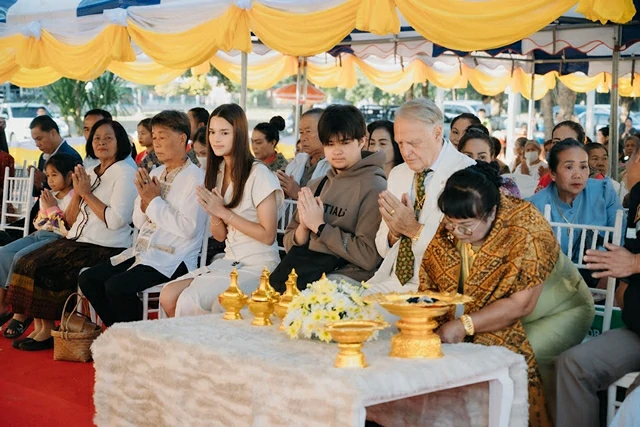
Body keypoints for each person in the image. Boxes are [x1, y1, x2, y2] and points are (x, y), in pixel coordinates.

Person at [420, 163, 594, 427]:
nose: (455, 233)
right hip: (498, 315)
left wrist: (464, 325)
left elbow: (520, 305)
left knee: (510, 364)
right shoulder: (457, 222)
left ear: (491, 212)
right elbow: (433, 277)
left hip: (558, 312)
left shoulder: (527, 229)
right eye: (450, 223)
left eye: (465, 227)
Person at [5, 120, 137, 350]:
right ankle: (42, 327)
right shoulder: (91, 171)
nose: (101, 142)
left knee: (40, 266)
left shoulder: (125, 173)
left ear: (120, 142)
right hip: (78, 239)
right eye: (97, 138)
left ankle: (48, 331)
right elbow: (69, 220)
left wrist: (86, 195)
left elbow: (116, 221)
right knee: (25, 260)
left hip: (106, 245)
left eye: (108, 138)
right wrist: (77, 195)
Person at [79, 111, 207, 326]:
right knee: (88, 279)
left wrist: (153, 202)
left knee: (116, 286)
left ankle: (137, 336)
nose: (156, 143)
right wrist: (146, 202)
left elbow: (189, 229)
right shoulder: (156, 172)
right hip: (145, 251)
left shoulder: (195, 178)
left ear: (182, 138)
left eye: (162, 137)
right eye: (154, 137)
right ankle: (120, 332)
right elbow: (139, 222)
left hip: (175, 257)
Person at [159, 104, 282, 317]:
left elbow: (268, 235)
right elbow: (220, 235)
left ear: (239, 134)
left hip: (259, 265)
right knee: (168, 294)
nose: (216, 139)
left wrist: (223, 212)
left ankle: (200, 338)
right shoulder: (218, 172)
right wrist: (214, 212)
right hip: (230, 260)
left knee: (193, 299)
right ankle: (189, 337)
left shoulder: (259, 173)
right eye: (212, 132)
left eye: (224, 133)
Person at [366, 98, 474, 294]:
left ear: (437, 133)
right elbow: (382, 247)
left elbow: (466, 250)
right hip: (392, 281)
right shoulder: (398, 173)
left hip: (441, 288)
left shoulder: (468, 173)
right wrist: (394, 233)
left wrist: (413, 229)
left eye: (414, 143)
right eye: (400, 143)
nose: (406, 152)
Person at [279, 105, 386, 287]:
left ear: (362, 141)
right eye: (330, 144)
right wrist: (304, 228)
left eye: (345, 143)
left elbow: (368, 257)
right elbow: (289, 243)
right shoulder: (317, 184)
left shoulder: (375, 187)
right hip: (305, 273)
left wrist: (320, 227)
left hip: (346, 280)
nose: (337, 151)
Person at [529, 139, 625, 287]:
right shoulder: (535, 206)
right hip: (549, 286)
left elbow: (619, 241)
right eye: (569, 167)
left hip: (600, 282)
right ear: (553, 173)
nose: (577, 175)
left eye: (583, 167)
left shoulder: (604, 193)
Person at [0, 154, 75, 331]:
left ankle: (20, 309)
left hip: (58, 239)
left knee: (21, 257)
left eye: (54, 175)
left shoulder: (74, 197)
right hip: (40, 234)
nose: (50, 180)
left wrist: (51, 209)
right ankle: (2, 305)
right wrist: (49, 211)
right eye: (48, 175)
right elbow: (39, 222)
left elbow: (67, 228)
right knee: (3, 253)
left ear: (69, 175)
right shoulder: (49, 195)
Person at [277, 109, 330, 199]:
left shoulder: (333, 165)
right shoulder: (298, 160)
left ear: (325, 132)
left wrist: (298, 194)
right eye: (301, 132)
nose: (303, 138)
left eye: (308, 132)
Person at [457, 129, 521, 197]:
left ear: (492, 157)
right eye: (468, 156)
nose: (475, 161)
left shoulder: (506, 187)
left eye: (482, 157)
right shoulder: (452, 185)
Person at [534, 121, 587, 193]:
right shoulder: (546, 179)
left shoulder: (596, 184)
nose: (561, 147)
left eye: (569, 142)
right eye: (556, 142)